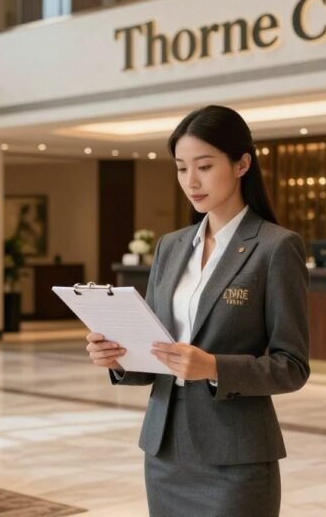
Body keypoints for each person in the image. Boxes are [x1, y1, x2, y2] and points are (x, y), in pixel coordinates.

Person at [85, 106, 309, 517]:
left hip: (235, 458)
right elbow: (155, 350)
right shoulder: (171, 247)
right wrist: (118, 359)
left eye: (204, 166)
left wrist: (213, 367)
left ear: (242, 163)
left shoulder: (276, 247)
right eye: (181, 167)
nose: (191, 181)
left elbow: (291, 366)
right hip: (166, 451)